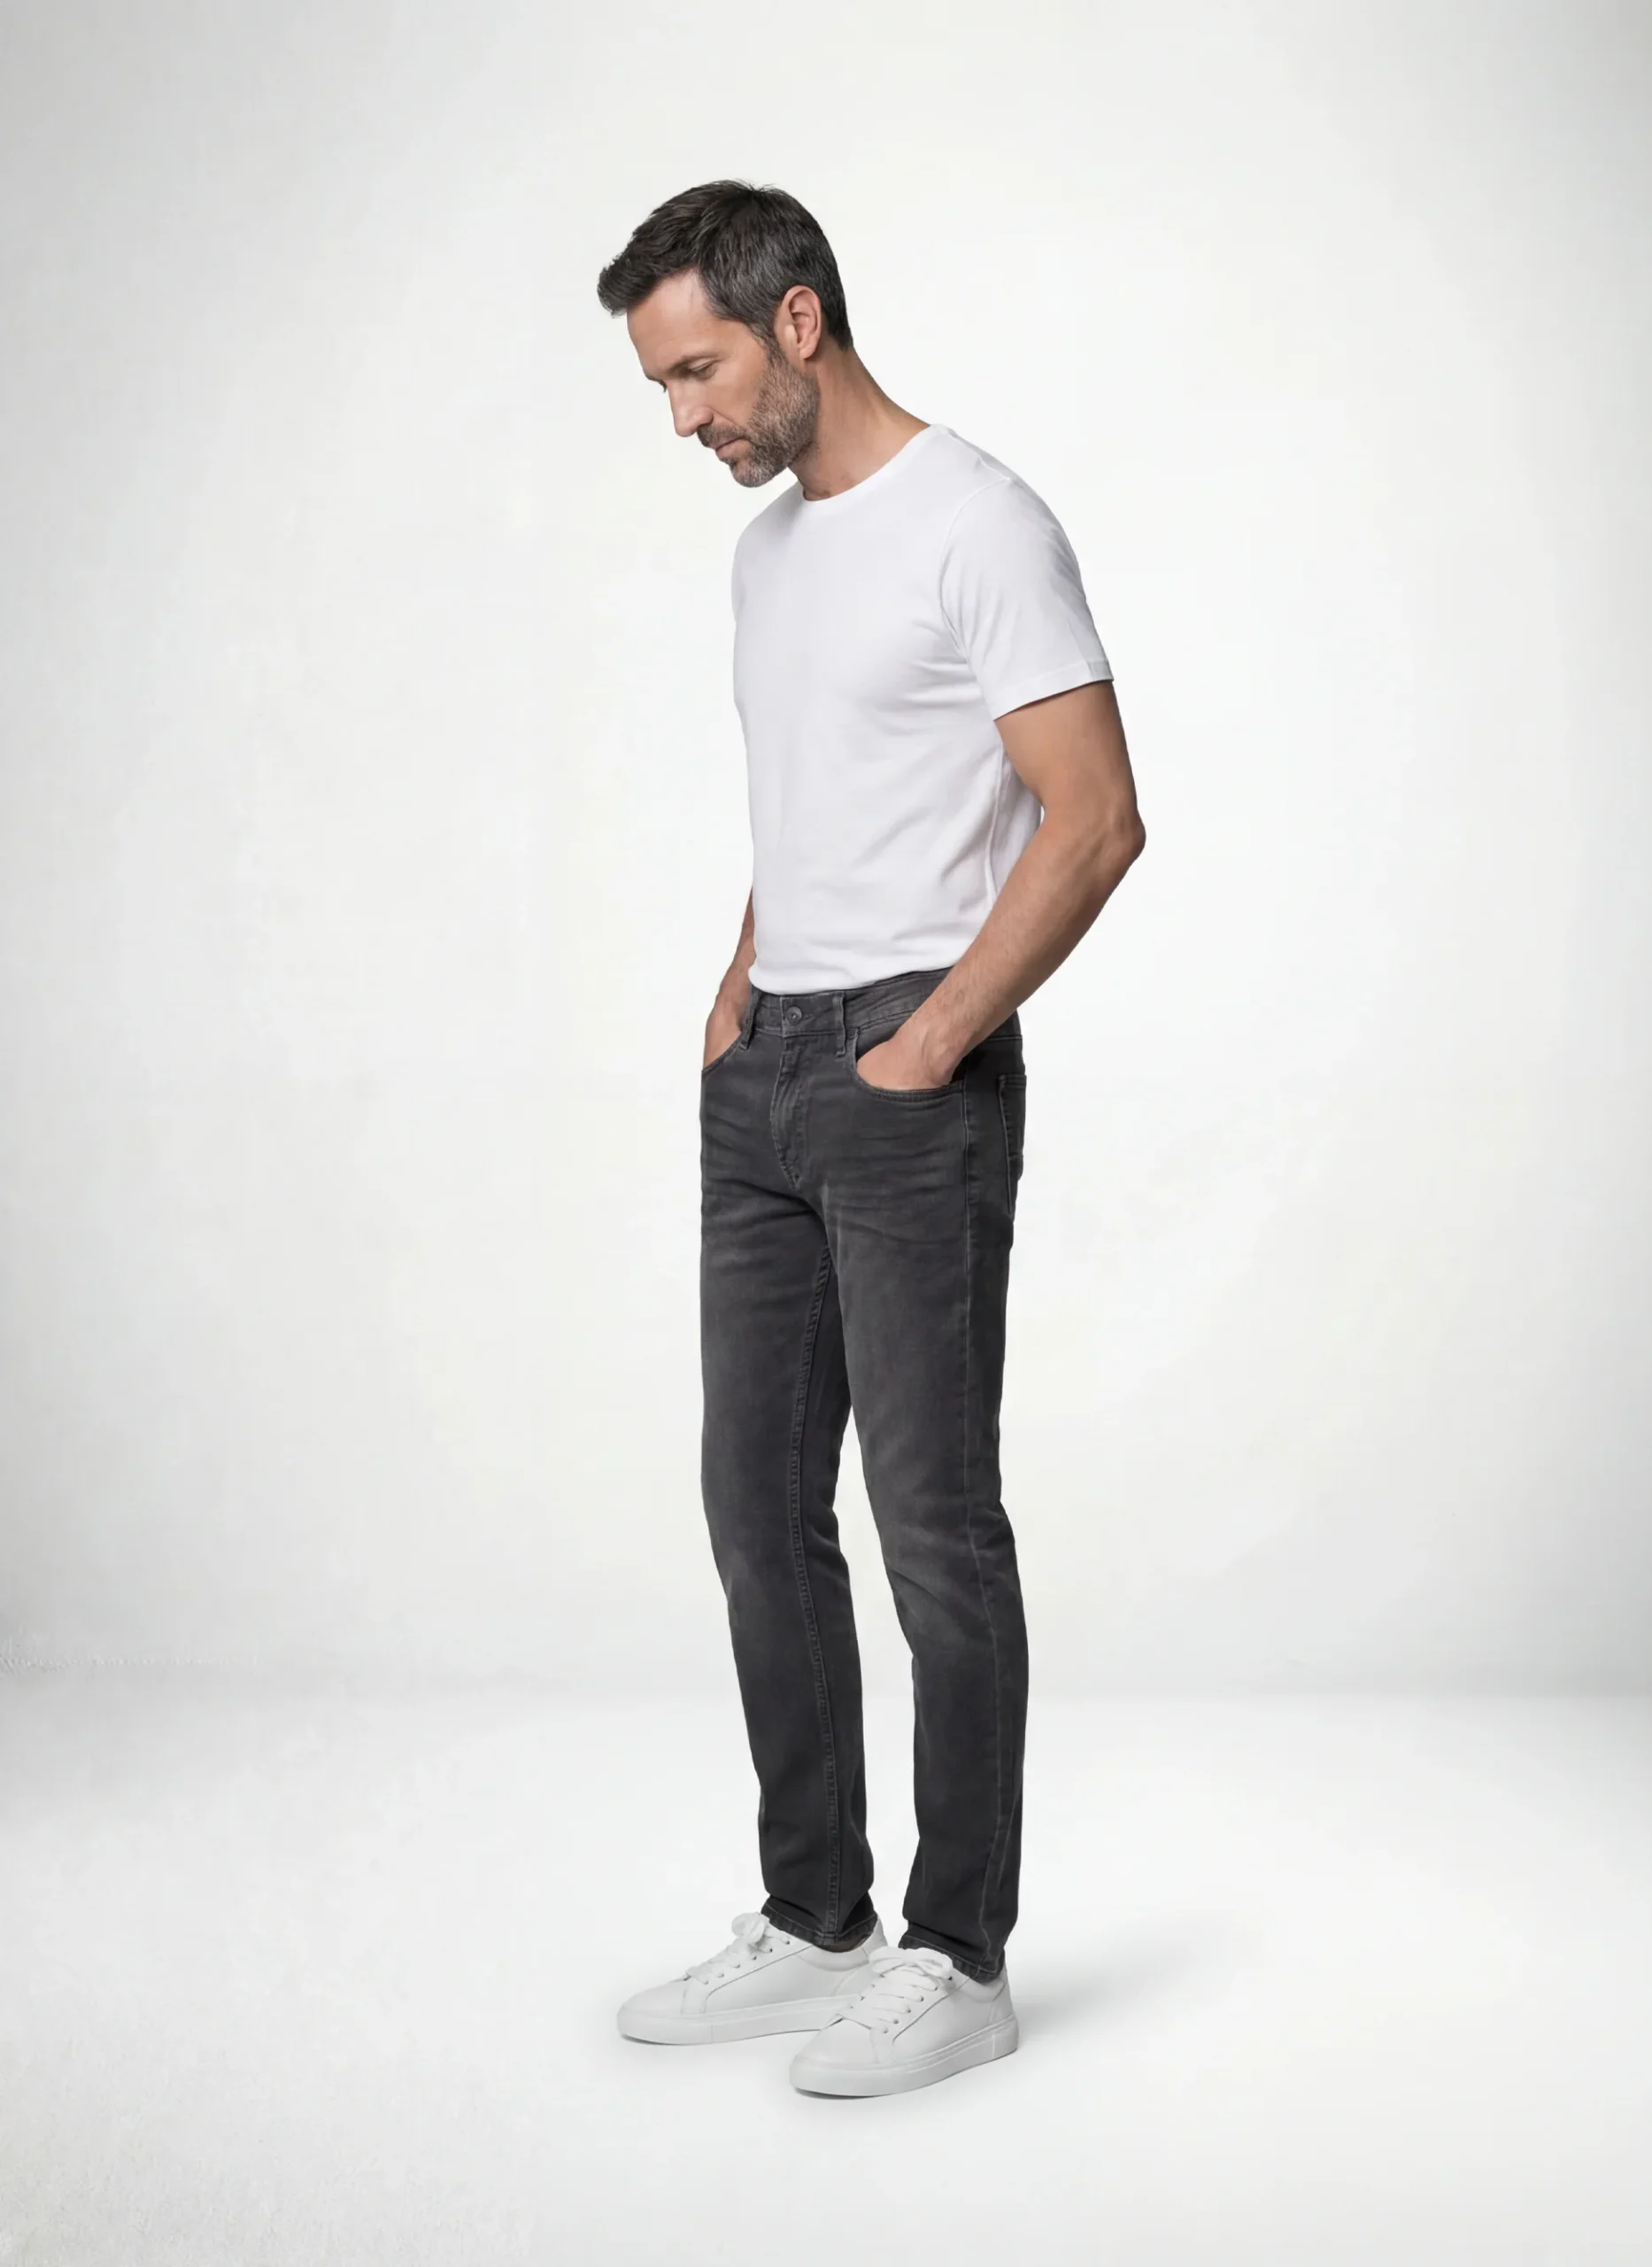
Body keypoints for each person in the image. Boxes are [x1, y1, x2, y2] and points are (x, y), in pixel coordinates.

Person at [595, 181, 1145, 2097]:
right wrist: (740, 987)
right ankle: (813, 1914)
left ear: (797, 320)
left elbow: (1092, 815)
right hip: (766, 1073)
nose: (683, 418)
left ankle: (958, 1954)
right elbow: (816, 799)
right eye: (661, 386)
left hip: (911, 1079)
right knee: (754, 1507)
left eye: (695, 373)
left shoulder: (979, 524)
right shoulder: (767, 557)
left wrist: (928, 1041)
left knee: (931, 1525)